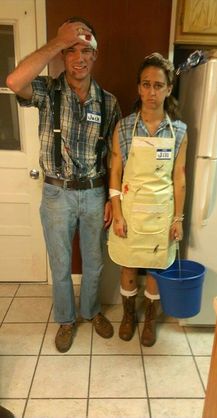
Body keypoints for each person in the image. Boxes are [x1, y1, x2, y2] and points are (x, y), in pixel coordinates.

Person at [6, 17, 121, 352]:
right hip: (56, 193)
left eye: (85, 49)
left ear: (95, 55)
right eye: (71, 50)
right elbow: (14, 81)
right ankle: (66, 321)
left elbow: (115, 157)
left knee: (95, 261)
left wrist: (112, 197)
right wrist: (57, 41)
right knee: (59, 264)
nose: (79, 57)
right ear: (62, 56)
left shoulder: (109, 102)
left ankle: (90, 311)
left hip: (96, 192)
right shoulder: (46, 91)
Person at [108, 52, 187, 347]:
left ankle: (150, 319)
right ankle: (129, 316)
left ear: (168, 89)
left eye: (158, 85)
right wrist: (117, 213)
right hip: (130, 211)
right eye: (145, 84)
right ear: (138, 88)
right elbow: (115, 172)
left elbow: (179, 177)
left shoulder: (179, 131)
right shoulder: (124, 127)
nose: (151, 92)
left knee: (156, 267)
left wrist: (178, 218)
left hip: (161, 214)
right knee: (128, 265)